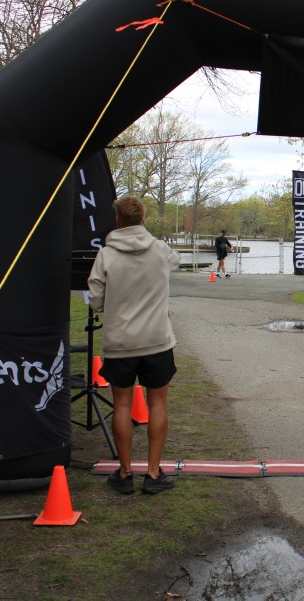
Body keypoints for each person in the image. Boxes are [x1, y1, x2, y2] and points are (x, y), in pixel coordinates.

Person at [89, 195, 181, 495]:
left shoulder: (105, 256)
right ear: (142, 219)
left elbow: (96, 302)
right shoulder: (161, 250)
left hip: (121, 342)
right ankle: (153, 473)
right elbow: (177, 262)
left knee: (122, 405)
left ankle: (125, 471)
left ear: (117, 222)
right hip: (157, 340)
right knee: (158, 404)